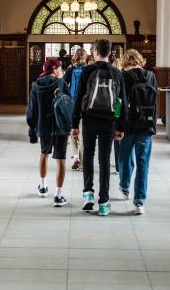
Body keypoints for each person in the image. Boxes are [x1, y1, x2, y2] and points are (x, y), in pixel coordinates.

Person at [71, 39, 128, 216]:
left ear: (95, 52)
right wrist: (120, 126)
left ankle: (88, 195)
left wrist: (74, 124)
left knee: (88, 155)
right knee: (105, 160)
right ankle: (104, 202)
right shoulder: (117, 73)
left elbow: (79, 98)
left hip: (89, 119)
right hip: (109, 121)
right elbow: (121, 102)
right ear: (110, 53)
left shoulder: (88, 70)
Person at [118, 49, 158, 215]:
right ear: (140, 60)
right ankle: (139, 202)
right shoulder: (151, 76)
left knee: (125, 157)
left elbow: (119, 102)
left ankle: (125, 186)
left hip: (128, 126)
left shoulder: (124, 77)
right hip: (146, 126)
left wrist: (117, 125)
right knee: (143, 163)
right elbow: (155, 102)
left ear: (125, 62)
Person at [26, 59, 70, 207]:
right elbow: (69, 104)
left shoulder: (36, 86)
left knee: (44, 154)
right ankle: (58, 196)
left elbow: (31, 110)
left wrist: (32, 128)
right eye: (60, 68)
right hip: (60, 126)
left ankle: (43, 187)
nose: (61, 71)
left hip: (43, 126)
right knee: (61, 158)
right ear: (55, 70)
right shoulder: (61, 83)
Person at [64, 48, 88, 171]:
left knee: (73, 132)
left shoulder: (70, 70)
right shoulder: (90, 70)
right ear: (86, 57)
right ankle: (83, 163)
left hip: (73, 105)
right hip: (86, 105)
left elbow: (63, 84)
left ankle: (76, 159)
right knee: (83, 134)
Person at [111, 57, 124, 174]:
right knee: (119, 140)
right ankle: (120, 166)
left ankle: (116, 165)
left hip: (109, 111)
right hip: (118, 110)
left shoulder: (110, 76)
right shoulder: (123, 76)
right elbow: (121, 99)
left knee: (115, 141)